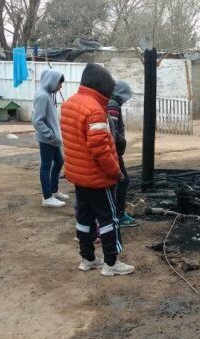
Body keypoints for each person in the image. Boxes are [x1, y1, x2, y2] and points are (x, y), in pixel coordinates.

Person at [61, 63, 135, 276]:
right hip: (98, 178)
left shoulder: (70, 103)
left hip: (78, 175)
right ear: (101, 85)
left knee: (84, 218)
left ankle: (88, 258)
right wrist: (115, 172)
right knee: (109, 219)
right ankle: (111, 263)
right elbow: (101, 149)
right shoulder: (94, 109)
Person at [33, 69, 70, 208]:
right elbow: (37, 121)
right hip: (47, 139)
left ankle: (54, 191)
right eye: (59, 84)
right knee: (46, 167)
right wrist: (51, 135)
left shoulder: (48, 95)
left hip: (52, 139)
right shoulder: (43, 96)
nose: (60, 87)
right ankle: (47, 197)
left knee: (59, 161)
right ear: (52, 81)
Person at [107, 80, 139, 227]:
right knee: (123, 181)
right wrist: (122, 143)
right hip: (114, 152)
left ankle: (117, 212)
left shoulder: (111, 103)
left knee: (120, 182)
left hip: (114, 151)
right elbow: (112, 131)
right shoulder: (113, 105)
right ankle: (119, 215)